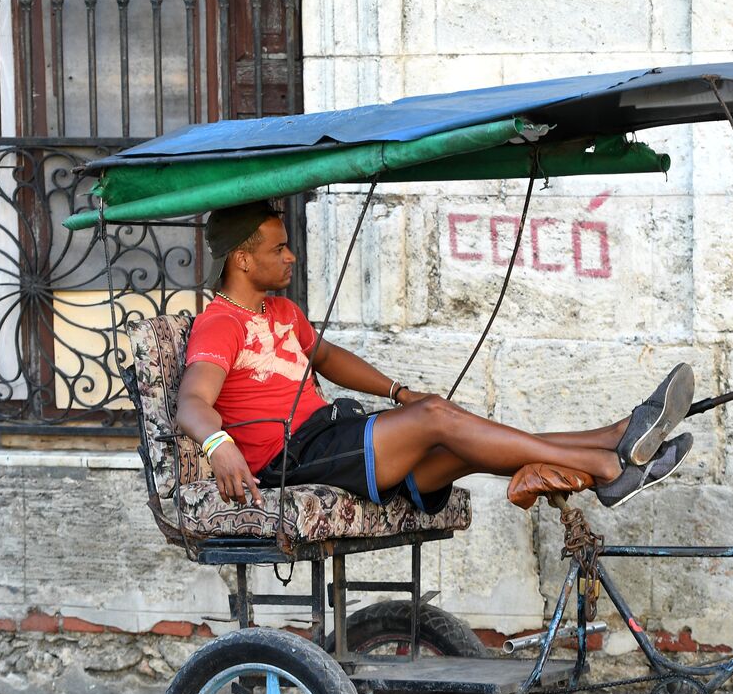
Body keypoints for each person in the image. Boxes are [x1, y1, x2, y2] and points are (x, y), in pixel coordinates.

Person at [176, 201, 694, 514]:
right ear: (242, 260)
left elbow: (328, 357)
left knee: (465, 444)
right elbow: (193, 403)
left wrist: (399, 393)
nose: (290, 256)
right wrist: (219, 444)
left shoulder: (283, 310)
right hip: (292, 459)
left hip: (334, 436)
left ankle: (615, 437)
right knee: (438, 418)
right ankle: (607, 466)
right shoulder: (220, 322)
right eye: (278, 249)